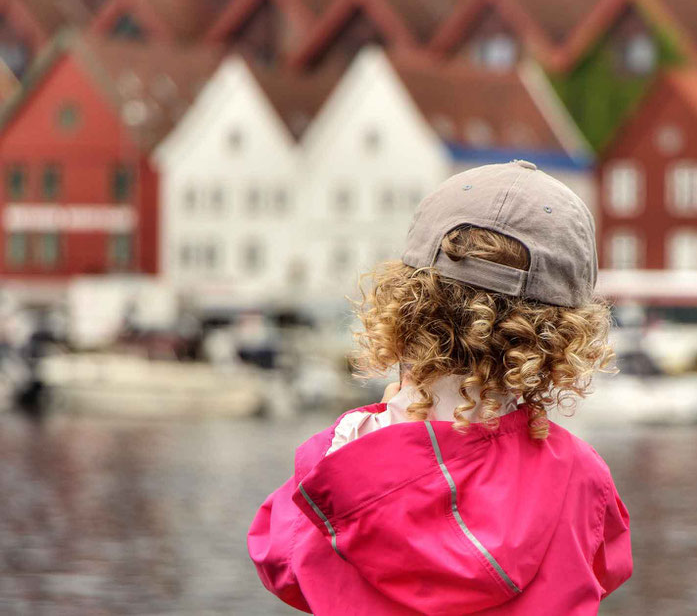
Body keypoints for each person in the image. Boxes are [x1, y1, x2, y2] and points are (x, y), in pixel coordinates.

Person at [247, 160, 633, 614]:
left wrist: (384, 423)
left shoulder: (341, 457)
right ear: (561, 335)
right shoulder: (581, 475)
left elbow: (278, 559)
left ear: (405, 304)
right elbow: (605, 564)